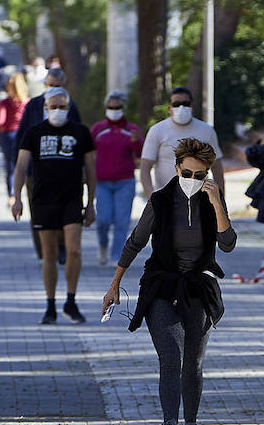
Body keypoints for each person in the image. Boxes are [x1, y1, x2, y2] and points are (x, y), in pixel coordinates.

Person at [101, 138, 236, 425]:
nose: (192, 180)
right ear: (176, 170)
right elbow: (135, 242)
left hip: (197, 289)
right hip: (161, 287)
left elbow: (228, 243)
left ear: (208, 175)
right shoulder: (160, 201)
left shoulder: (212, 200)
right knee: (170, 359)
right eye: (186, 173)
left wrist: (217, 203)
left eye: (199, 175)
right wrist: (114, 285)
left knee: (194, 363)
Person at [12, 88, 97, 325]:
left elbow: (90, 169)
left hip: (71, 198)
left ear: (68, 108)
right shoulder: (34, 132)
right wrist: (16, 197)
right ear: (45, 108)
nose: (57, 111)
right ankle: (50, 304)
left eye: (62, 107)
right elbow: (21, 166)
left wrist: (91, 204)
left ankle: (71, 300)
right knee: (48, 254)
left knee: (74, 250)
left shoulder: (80, 132)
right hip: (42, 199)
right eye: (53, 107)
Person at [140, 87, 225, 198]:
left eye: (185, 103)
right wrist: (151, 197)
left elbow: (217, 167)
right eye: (176, 104)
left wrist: (220, 198)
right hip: (166, 197)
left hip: (199, 198)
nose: (181, 107)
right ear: (169, 108)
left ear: (191, 106)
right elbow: (145, 166)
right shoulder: (157, 130)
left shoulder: (207, 130)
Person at [91, 90, 144, 265]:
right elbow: (89, 153)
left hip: (125, 181)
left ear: (123, 108)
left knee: (122, 221)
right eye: (110, 107)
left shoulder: (132, 130)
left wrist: (136, 142)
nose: (114, 110)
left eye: (117, 107)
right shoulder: (98, 129)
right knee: (103, 219)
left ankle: (116, 256)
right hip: (102, 182)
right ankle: (103, 246)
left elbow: (141, 154)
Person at [0, 72, 29, 199]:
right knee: (24, 163)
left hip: (7, 134)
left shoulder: (4, 103)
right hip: (23, 134)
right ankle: (24, 187)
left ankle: (12, 193)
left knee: (10, 165)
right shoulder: (28, 103)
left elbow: (0, 120)